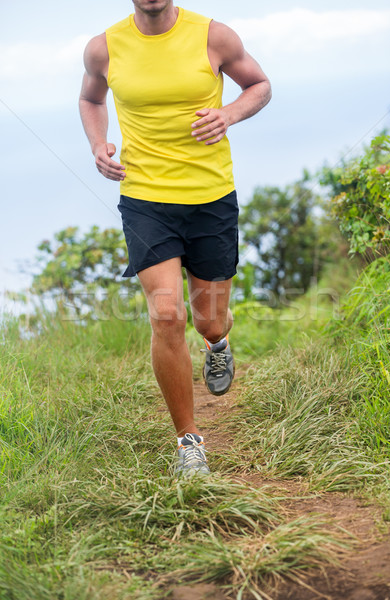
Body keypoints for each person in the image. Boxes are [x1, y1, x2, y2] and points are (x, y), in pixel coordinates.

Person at [79, 0, 271, 476]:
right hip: (145, 199)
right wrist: (98, 145)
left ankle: (217, 344)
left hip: (210, 196)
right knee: (166, 315)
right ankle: (189, 443)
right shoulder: (104, 47)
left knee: (208, 321)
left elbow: (260, 86)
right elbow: (91, 99)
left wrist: (228, 115)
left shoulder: (213, 36)